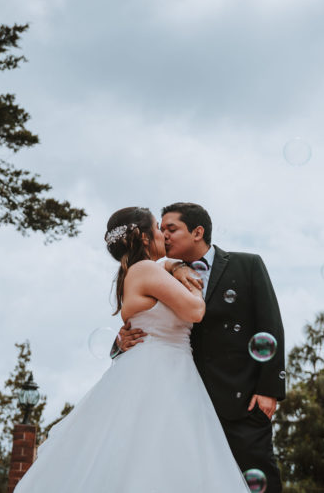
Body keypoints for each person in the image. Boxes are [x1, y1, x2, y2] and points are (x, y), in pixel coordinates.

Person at [14, 206, 251, 493]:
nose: (163, 233)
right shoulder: (144, 269)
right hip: (162, 372)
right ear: (143, 236)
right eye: (156, 227)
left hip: (161, 365)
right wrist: (193, 280)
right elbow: (195, 311)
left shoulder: (140, 270)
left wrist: (175, 266)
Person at [116, 202, 286, 493]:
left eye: (171, 229)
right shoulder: (159, 275)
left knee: (257, 479)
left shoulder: (247, 265)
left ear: (197, 232)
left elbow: (270, 325)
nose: (164, 235)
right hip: (184, 401)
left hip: (241, 400)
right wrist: (120, 341)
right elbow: (148, 321)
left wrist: (269, 390)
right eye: (161, 229)